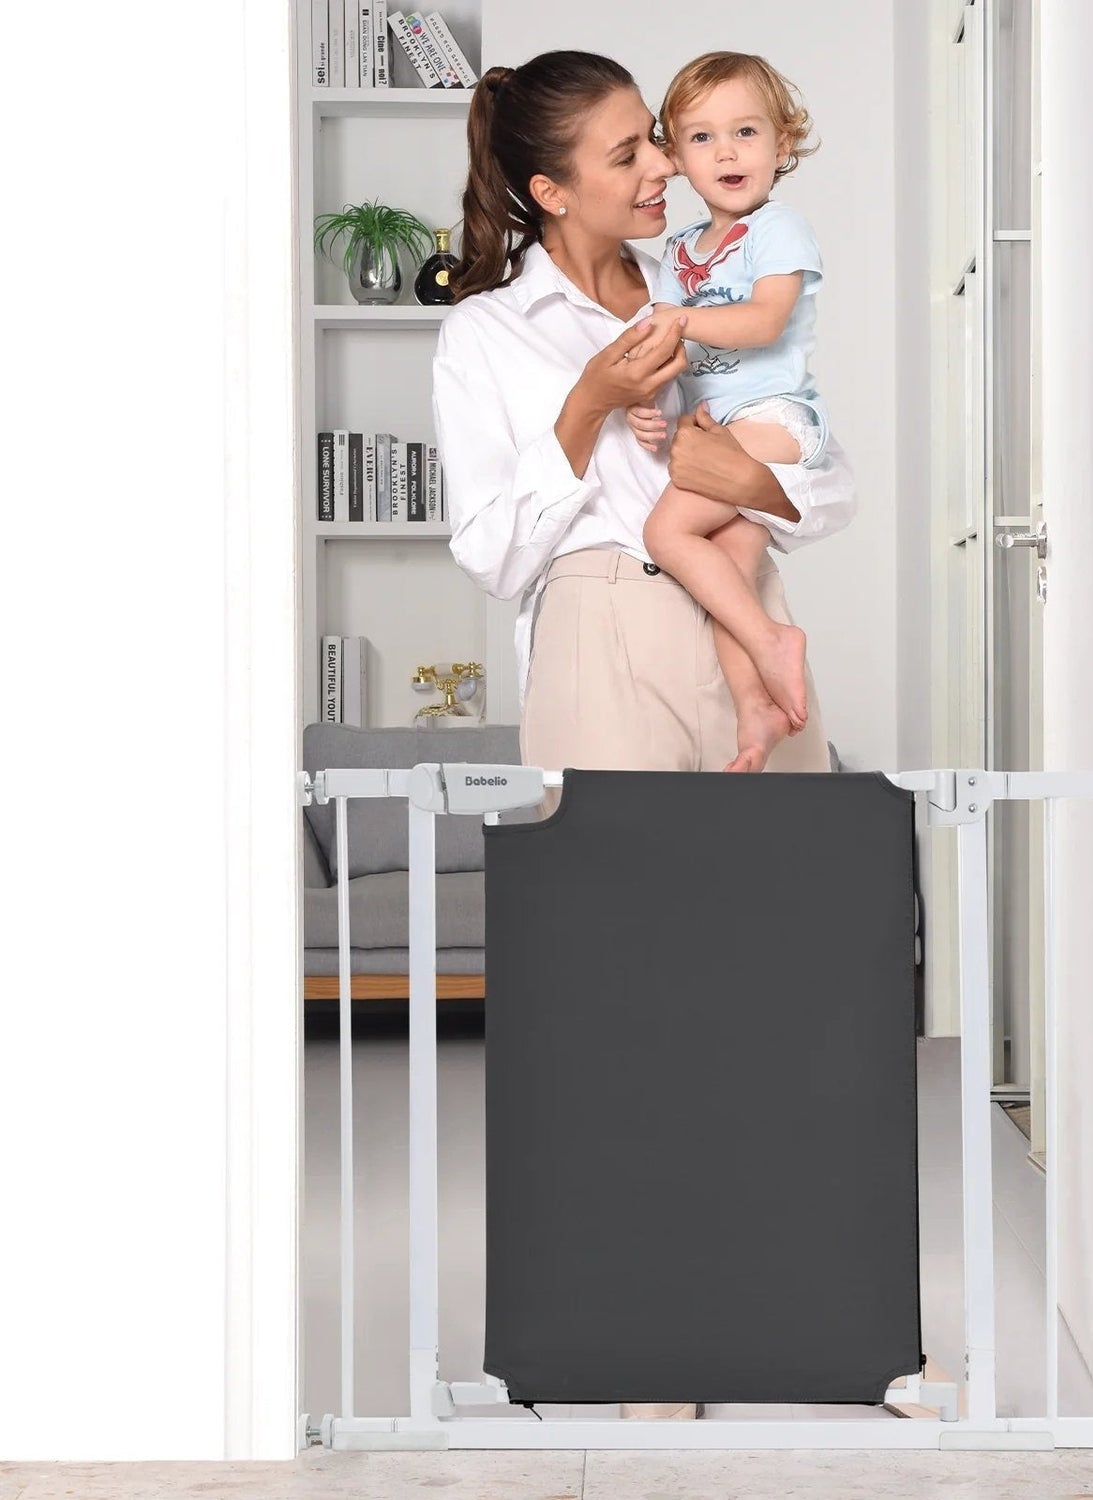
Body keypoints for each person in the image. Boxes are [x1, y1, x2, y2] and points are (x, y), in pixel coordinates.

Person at [430, 52, 857, 1419]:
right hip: (604, 625)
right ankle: (643, 1335)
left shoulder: (720, 277)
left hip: (747, 620)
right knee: (621, 999)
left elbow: (825, 482)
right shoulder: (491, 335)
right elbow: (494, 551)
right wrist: (587, 407)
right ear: (552, 190)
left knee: (796, 983)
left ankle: (818, 1325)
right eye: (627, 156)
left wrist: (752, 476)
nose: (663, 169)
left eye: (658, 147)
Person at [626, 52, 828, 771]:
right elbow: (674, 362)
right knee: (726, 574)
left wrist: (675, 321)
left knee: (667, 532)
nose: (728, 151)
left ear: (782, 142)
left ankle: (777, 646)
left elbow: (765, 321)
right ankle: (758, 712)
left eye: (746, 131)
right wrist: (650, 410)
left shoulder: (778, 228)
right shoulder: (678, 251)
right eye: (703, 138)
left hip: (773, 417)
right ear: (675, 155)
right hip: (717, 431)